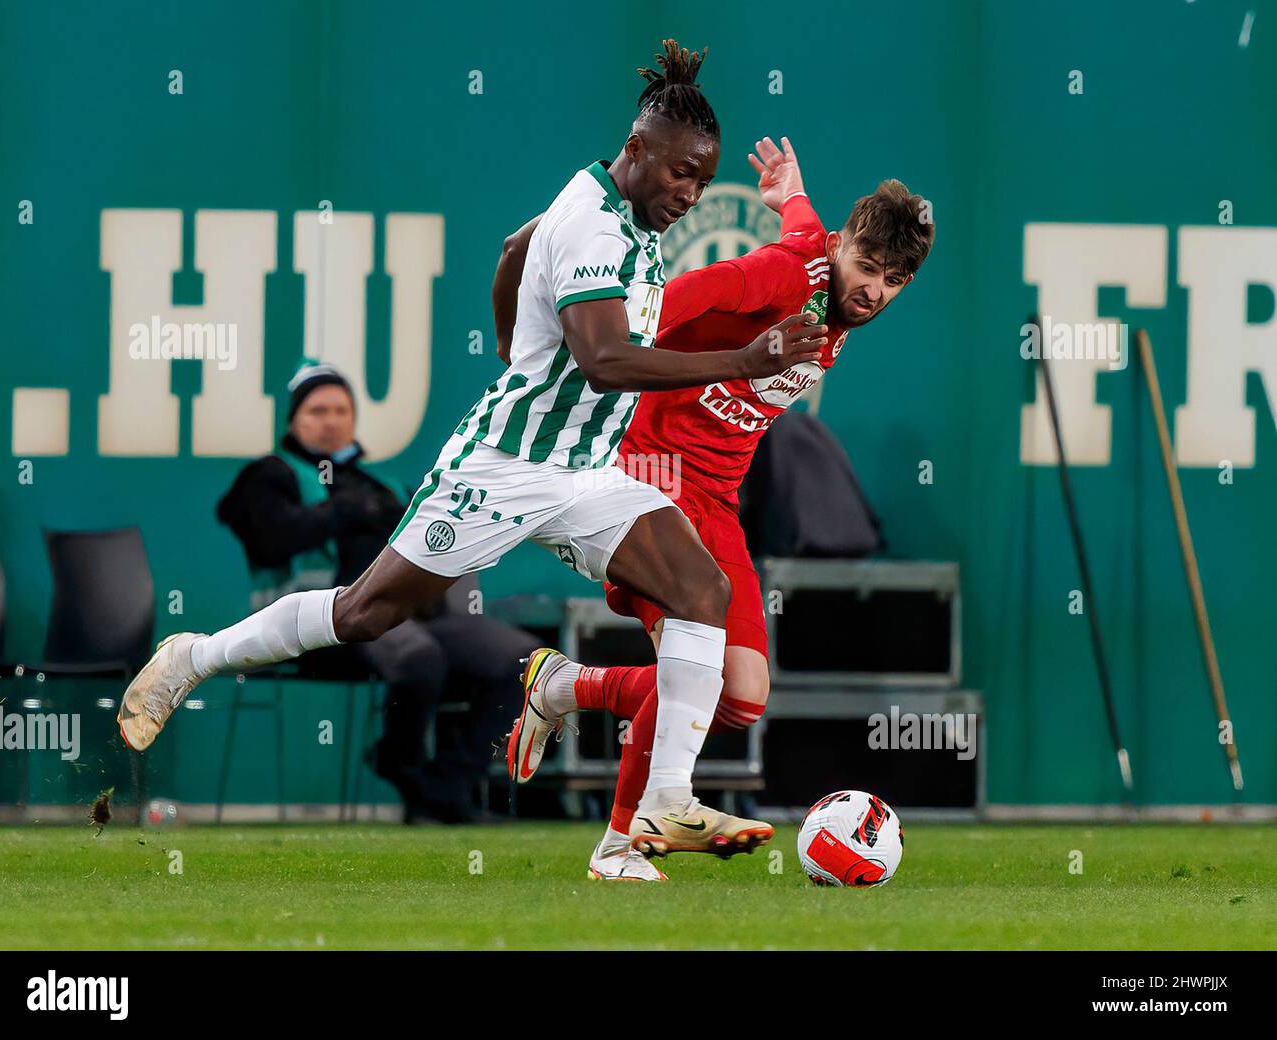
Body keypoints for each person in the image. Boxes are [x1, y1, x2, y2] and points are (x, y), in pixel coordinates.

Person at [115, 40, 828, 882]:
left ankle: (658, 807)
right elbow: (604, 361)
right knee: (365, 614)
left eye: (702, 182)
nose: (690, 193)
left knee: (701, 589)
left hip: (585, 469)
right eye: (680, 174)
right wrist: (745, 361)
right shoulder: (597, 225)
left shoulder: (610, 199)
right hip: (504, 468)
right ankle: (193, 657)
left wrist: (507, 344)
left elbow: (509, 249)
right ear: (635, 151)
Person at [500, 138, 935, 877]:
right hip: (648, 477)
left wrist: (791, 192)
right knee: (686, 666)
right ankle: (618, 849)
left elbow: (803, 222)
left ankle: (568, 687)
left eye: (895, 281)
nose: (875, 293)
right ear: (839, 248)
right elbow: (660, 307)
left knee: (742, 697)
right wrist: (580, 361)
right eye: (867, 269)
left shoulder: (822, 259)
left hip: (715, 500)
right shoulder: (779, 274)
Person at [214, 361, 537, 823]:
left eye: (341, 409)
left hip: (414, 615)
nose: (331, 420)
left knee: (523, 663)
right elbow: (271, 539)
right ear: (293, 419)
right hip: (320, 624)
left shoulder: (381, 483)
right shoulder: (270, 475)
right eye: (317, 410)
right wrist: (339, 513)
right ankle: (402, 763)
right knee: (420, 658)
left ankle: (446, 786)